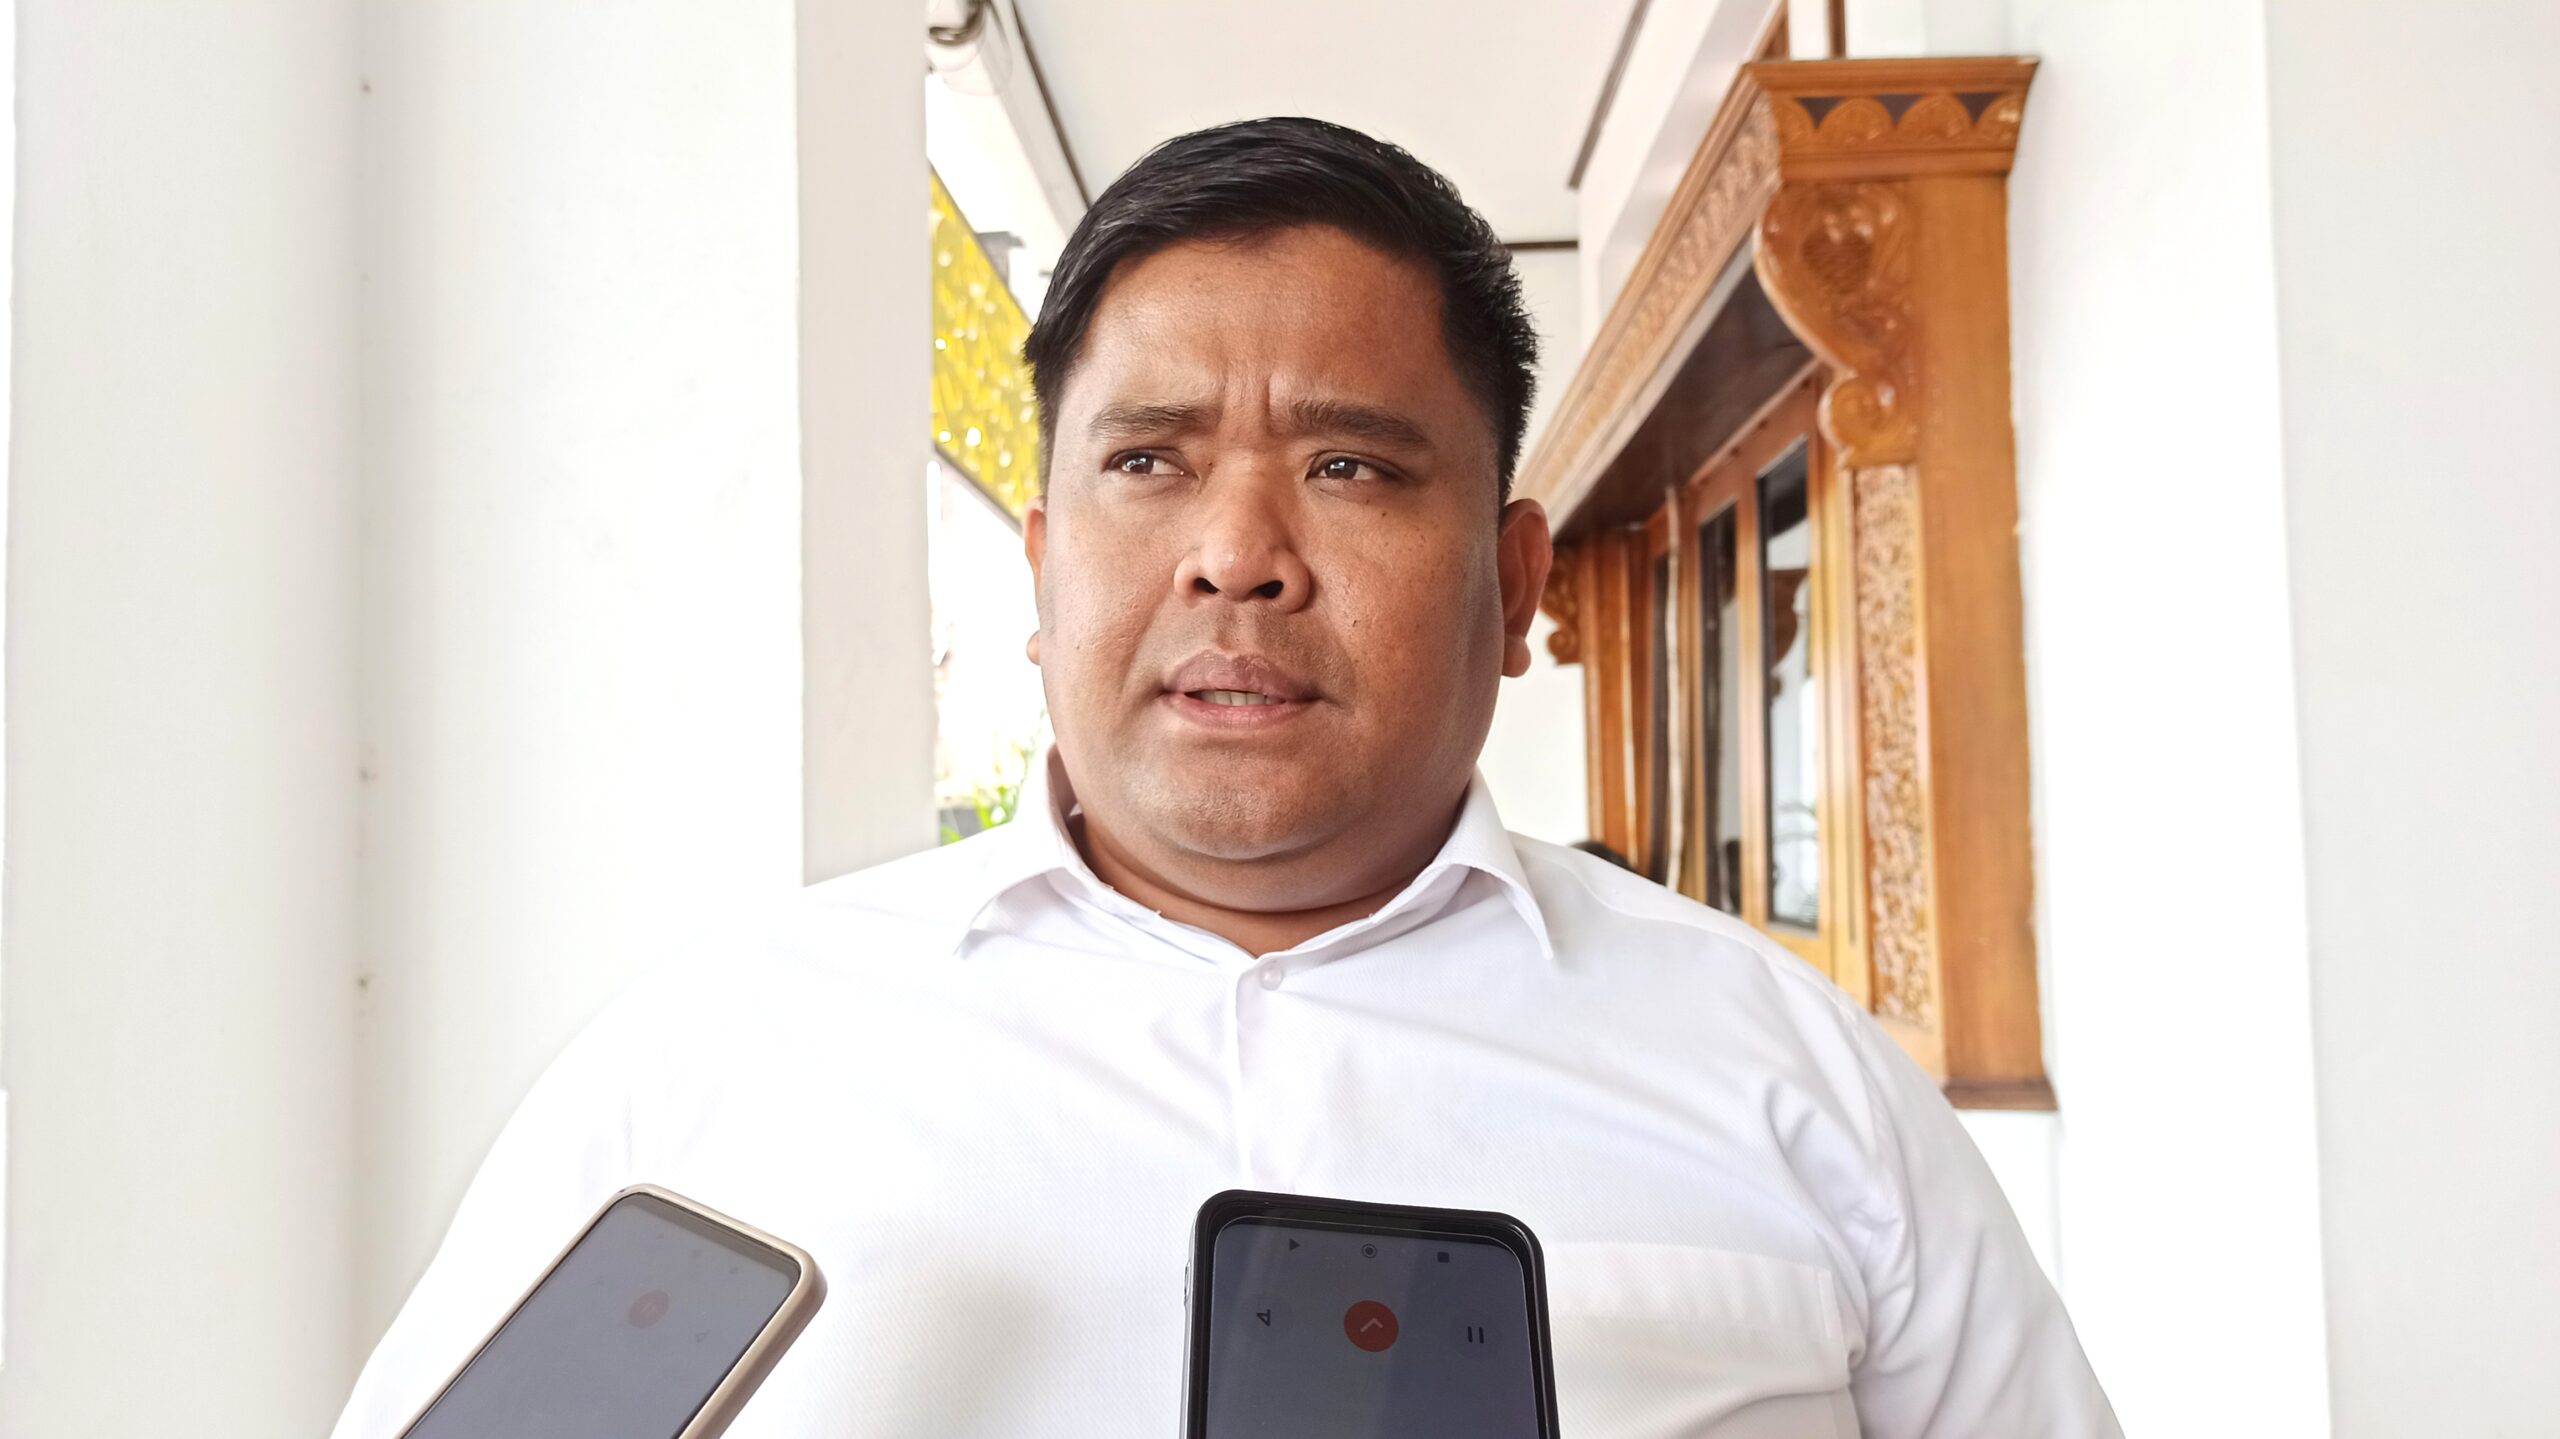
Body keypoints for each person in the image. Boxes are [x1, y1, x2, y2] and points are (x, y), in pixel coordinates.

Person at [332, 116, 2118, 1437]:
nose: (1239, 557)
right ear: (1043, 572)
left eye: (1351, 468)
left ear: (1514, 586)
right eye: (1150, 463)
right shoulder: (711, 1059)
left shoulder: (1796, 1079)